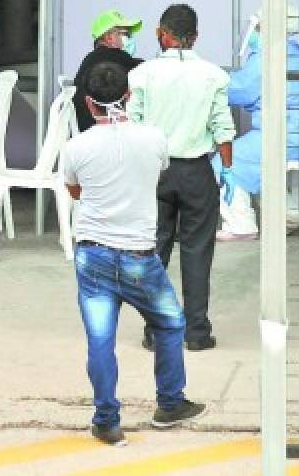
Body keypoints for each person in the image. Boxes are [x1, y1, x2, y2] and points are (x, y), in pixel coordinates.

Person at [63, 61, 206, 445]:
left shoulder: (76, 147)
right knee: (171, 324)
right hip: (140, 257)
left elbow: (76, 192)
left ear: (89, 104)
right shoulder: (154, 139)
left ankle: (107, 420)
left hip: (92, 255)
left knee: (100, 340)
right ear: (128, 97)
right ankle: (170, 403)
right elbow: (157, 177)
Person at [127, 4, 234, 352]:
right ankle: (197, 333)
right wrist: (227, 171)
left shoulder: (142, 73)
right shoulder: (213, 75)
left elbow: (133, 122)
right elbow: (223, 128)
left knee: (153, 251)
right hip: (196, 170)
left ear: (161, 32)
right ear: (195, 37)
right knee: (197, 251)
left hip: (154, 170)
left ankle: (156, 331)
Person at [217, 9, 299, 240]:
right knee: (261, 166)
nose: (254, 33)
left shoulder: (270, 55)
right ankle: (288, 215)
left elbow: (241, 90)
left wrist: (212, 82)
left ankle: (241, 225)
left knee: (226, 160)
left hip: (285, 134)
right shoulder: (293, 52)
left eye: (258, 28)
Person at [72, 10, 144, 133]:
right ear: (109, 37)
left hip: (86, 134)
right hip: (115, 137)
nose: (130, 39)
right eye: (126, 34)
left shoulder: (88, 62)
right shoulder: (121, 60)